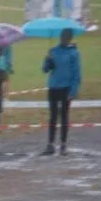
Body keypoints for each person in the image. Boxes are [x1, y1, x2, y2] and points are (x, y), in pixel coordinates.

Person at [41, 27, 82, 156]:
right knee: (53, 116)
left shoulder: (74, 53)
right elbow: (45, 70)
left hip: (66, 88)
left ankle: (63, 144)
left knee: (64, 116)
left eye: (66, 37)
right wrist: (47, 61)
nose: (63, 39)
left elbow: (76, 73)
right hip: (53, 87)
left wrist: (73, 91)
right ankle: (50, 144)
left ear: (69, 39)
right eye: (62, 37)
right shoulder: (53, 51)